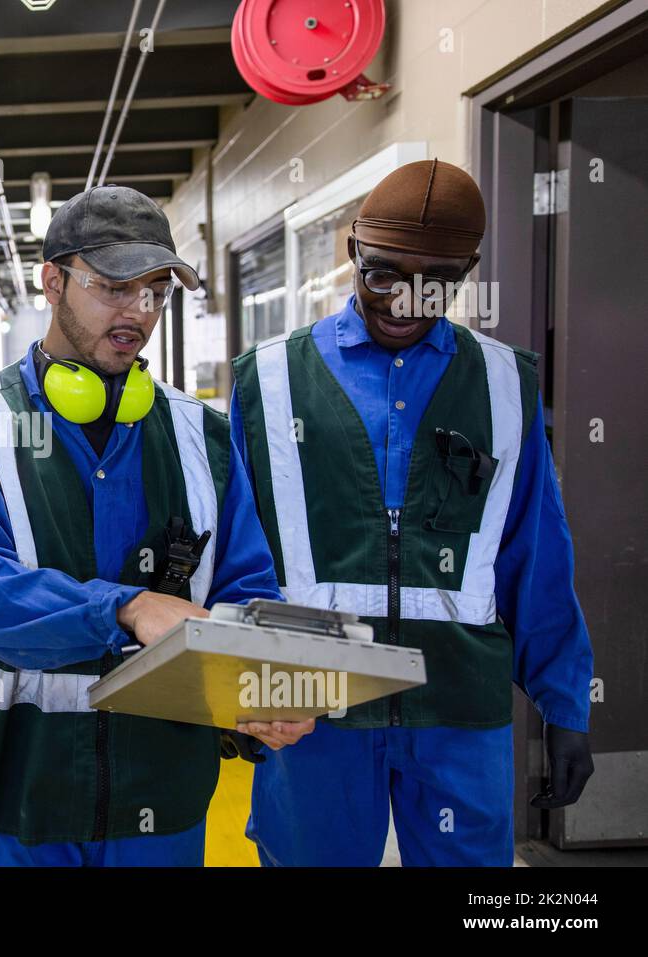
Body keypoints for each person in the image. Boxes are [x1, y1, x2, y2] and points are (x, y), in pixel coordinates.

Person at [0, 185, 313, 867]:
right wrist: (125, 605)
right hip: (12, 810)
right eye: (114, 287)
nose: (139, 312)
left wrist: (259, 692)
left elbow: (248, 590)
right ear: (52, 280)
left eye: (156, 291)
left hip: (159, 806)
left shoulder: (203, 439)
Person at [229, 159, 595, 866]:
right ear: (353, 255)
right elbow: (236, 557)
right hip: (308, 703)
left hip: (458, 706)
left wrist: (564, 704)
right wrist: (236, 693)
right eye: (383, 275)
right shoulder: (267, 380)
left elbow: (537, 554)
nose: (404, 301)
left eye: (436, 282)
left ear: (467, 272)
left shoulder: (504, 384)